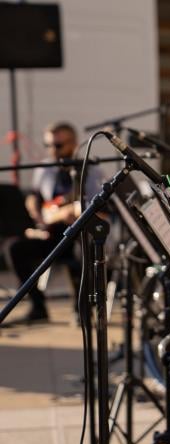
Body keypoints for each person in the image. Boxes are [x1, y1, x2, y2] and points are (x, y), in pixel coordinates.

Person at [6, 121, 102, 325]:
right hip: (50, 233)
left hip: (78, 234)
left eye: (58, 146)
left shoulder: (89, 169)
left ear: (73, 143)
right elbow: (34, 196)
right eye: (49, 145)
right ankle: (38, 307)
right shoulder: (45, 168)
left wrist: (65, 212)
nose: (53, 150)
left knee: (83, 251)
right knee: (14, 249)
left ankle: (82, 309)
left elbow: (96, 205)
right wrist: (37, 213)